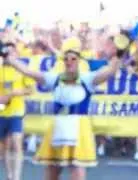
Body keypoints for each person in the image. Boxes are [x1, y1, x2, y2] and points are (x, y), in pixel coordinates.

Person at [5, 36, 121, 180]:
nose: (69, 62)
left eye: (73, 59)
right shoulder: (54, 78)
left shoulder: (88, 79)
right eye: (66, 59)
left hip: (79, 128)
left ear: (79, 61)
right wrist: (10, 59)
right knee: (52, 170)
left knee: (77, 170)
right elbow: (28, 72)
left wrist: (117, 58)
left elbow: (109, 72)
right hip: (58, 126)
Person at [0, 42, 33, 180]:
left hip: (17, 112)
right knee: (5, 147)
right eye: (7, 53)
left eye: (12, 52)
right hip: (2, 112)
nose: (9, 56)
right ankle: (9, 176)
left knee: (16, 141)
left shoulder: (21, 70)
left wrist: (15, 93)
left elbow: (31, 89)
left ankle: (16, 177)